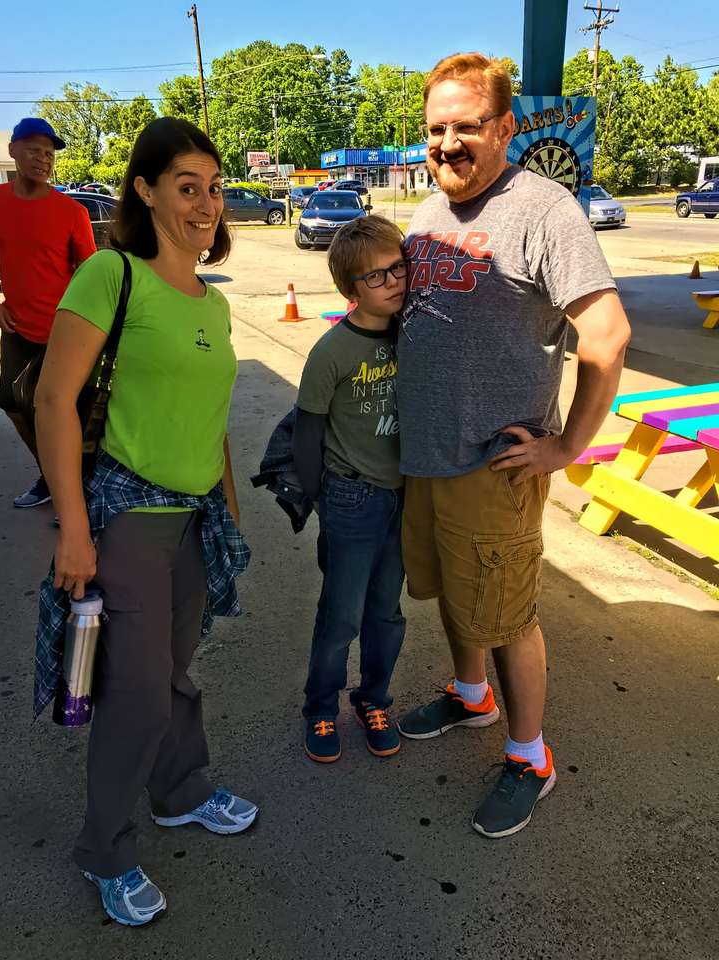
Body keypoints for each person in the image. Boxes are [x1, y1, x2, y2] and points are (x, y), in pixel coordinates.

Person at [395, 53, 631, 838]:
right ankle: (471, 698)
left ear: (503, 128)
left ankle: (531, 756)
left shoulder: (542, 208)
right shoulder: (428, 213)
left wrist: (566, 446)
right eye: (436, 129)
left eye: (467, 126)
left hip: (494, 464)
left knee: (508, 613)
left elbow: (606, 333)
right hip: (428, 459)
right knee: (462, 599)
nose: (448, 143)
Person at [34, 117, 256, 926]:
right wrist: (72, 528)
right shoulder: (110, 274)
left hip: (194, 523)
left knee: (173, 675)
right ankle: (105, 850)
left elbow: (211, 412)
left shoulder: (212, 302)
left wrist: (227, 505)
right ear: (146, 191)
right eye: (186, 186)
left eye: (214, 187)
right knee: (135, 697)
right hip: (126, 519)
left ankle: (180, 792)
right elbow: (53, 399)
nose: (205, 204)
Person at [293, 215, 407, 763]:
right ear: (348, 290)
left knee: (386, 611)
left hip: (401, 497)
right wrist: (320, 501)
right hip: (350, 497)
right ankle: (320, 709)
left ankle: (374, 698)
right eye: (376, 277)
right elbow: (308, 430)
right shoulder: (331, 351)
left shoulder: (415, 337)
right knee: (340, 615)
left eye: (398, 269)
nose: (393, 283)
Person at [0, 117, 95, 507]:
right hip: (18, 328)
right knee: (11, 402)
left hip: (64, 333)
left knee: (66, 413)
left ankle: (78, 491)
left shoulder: (71, 212)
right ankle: (52, 477)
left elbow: (90, 275)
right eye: (35, 150)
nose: (43, 159)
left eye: (49, 153)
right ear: (13, 152)